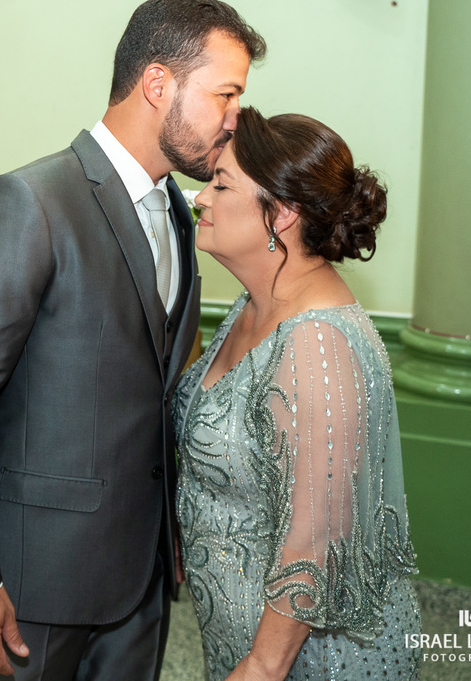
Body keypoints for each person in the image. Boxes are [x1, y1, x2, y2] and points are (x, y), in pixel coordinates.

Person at [0, 0, 267, 680]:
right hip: (36, 578)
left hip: (141, 574)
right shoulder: (30, 203)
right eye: (225, 95)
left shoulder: (179, 213)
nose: (235, 120)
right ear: (157, 84)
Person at [175, 107, 421, 680]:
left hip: (309, 658)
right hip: (240, 632)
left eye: (221, 184)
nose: (201, 197)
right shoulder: (254, 305)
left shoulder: (317, 346)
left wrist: (263, 666)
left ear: (281, 212)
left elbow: (318, 541)